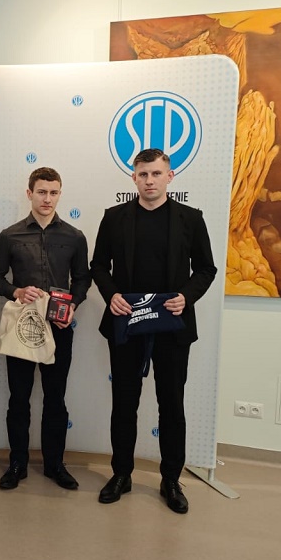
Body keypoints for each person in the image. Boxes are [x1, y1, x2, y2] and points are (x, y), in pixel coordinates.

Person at [89, 148, 217, 514]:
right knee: (124, 402)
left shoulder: (191, 219)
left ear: (169, 176)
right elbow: (98, 266)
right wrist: (112, 295)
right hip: (127, 322)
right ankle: (121, 474)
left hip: (172, 326)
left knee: (171, 404)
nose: (149, 181)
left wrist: (186, 297)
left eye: (156, 174)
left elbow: (206, 269)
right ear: (134, 178)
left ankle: (171, 480)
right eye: (143, 174)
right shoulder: (114, 218)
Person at [0, 167, 91, 490]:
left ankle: (55, 464)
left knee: (55, 398)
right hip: (23, 326)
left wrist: (73, 304)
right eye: (42, 192)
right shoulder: (9, 236)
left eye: (53, 192)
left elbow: (83, 278)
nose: (47, 199)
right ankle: (17, 463)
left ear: (60, 194)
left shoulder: (75, 236)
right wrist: (16, 292)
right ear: (29, 193)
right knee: (18, 398)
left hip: (60, 327)